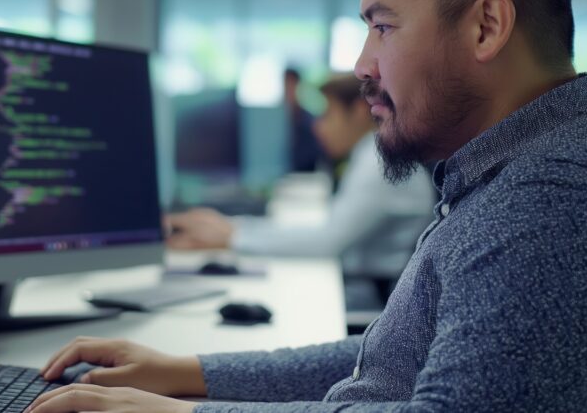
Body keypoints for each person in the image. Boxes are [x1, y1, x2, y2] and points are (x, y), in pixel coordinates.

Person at [25, 0, 587, 413]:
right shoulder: (518, 174)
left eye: (383, 28)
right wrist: (186, 373)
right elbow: (389, 362)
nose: (360, 66)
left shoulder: (561, 204)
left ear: (486, 27)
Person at [168, 73, 435, 302]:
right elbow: (327, 233)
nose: (318, 127)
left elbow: (327, 242)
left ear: (358, 111)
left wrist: (233, 237)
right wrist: (235, 229)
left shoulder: (379, 165)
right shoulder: (373, 154)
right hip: (366, 283)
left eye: (328, 114)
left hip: (371, 293)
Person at [284, 68, 322, 172]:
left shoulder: (309, 121)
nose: (288, 90)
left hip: (304, 177)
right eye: (285, 85)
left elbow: (312, 156)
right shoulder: (273, 120)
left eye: (292, 85)